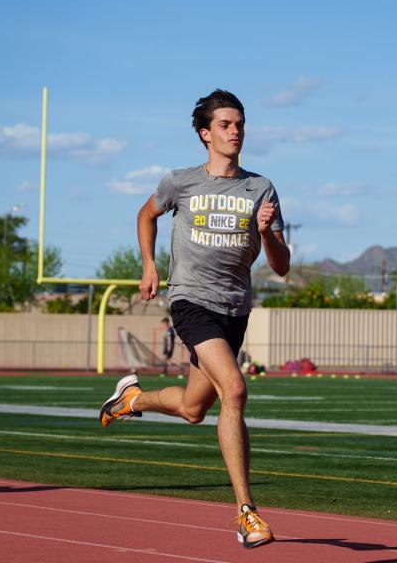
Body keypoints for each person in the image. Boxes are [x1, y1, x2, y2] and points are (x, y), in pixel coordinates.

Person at [98, 90, 290, 549]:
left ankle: (132, 400)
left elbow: (281, 267)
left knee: (192, 409)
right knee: (236, 390)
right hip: (189, 300)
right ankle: (246, 513)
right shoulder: (180, 182)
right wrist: (148, 265)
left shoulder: (260, 188)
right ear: (205, 134)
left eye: (240, 123)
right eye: (225, 124)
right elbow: (146, 214)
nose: (235, 130)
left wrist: (265, 233)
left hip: (234, 308)